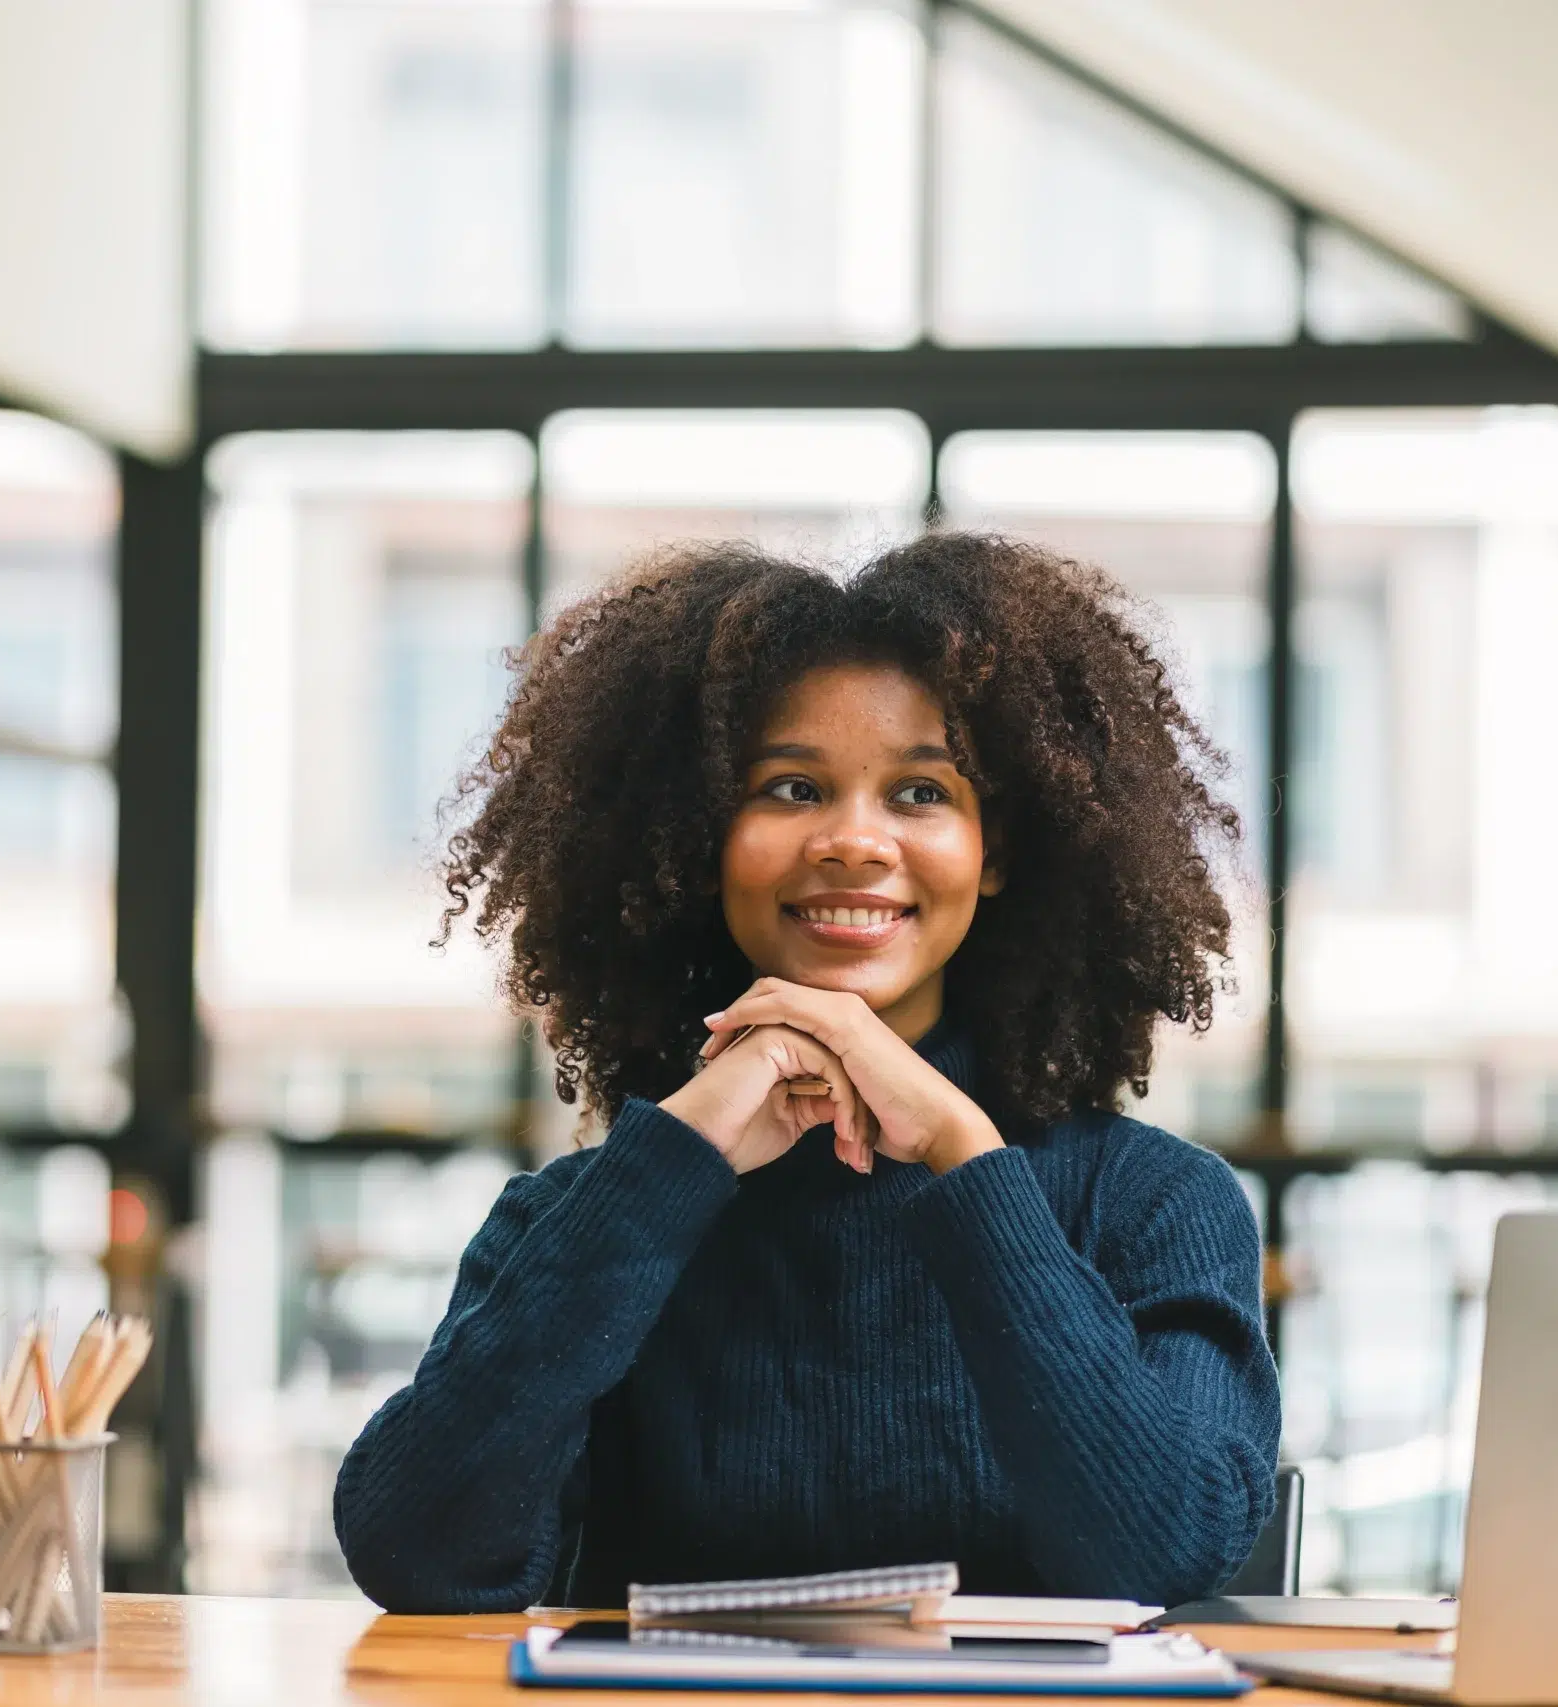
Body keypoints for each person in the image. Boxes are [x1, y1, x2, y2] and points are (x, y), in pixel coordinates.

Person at [332, 533, 1280, 1615]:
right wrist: (671, 1162)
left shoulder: (1152, 1204)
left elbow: (1160, 1555)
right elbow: (417, 1555)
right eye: (790, 787)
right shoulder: (579, 1219)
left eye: (920, 793)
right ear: (696, 838)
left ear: (1000, 850)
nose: (853, 841)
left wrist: (965, 1157)